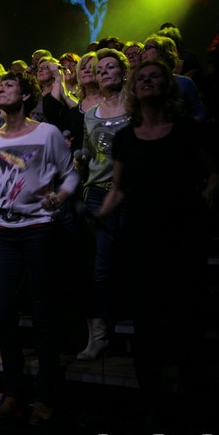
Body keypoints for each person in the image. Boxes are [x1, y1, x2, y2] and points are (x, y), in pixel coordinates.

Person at [95, 59, 219, 424]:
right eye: (142, 78)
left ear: (167, 86)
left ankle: (196, 406)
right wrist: (101, 213)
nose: (148, 81)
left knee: (187, 322)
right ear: (134, 89)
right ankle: (152, 406)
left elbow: (215, 172)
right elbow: (118, 188)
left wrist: (207, 195)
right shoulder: (124, 138)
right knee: (146, 325)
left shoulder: (187, 130)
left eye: (155, 77)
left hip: (183, 237)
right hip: (141, 238)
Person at [0, 70, 79, 426]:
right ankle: (14, 392)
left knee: (43, 312)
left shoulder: (46, 134)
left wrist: (60, 196)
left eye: (8, 85)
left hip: (39, 229)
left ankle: (45, 397)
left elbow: (71, 173)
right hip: (4, 231)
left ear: (26, 95)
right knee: (3, 312)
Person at [75, 48, 132, 362]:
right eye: (100, 70)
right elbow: (88, 149)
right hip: (98, 191)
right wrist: (80, 158)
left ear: (123, 72)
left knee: (133, 262)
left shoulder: (135, 107)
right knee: (98, 269)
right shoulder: (90, 114)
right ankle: (99, 337)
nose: (105, 72)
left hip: (131, 192)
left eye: (111, 67)